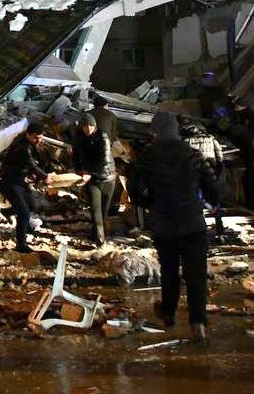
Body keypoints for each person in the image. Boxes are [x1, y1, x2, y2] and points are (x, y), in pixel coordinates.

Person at [131, 111, 219, 344]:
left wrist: (149, 204)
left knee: (169, 271)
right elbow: (213, 187)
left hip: (164, 223)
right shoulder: (193, 154)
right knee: (196, 275)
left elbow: (135, 189)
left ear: (156, 130)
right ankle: (198, 322)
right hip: (193, 222)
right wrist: (208, 203)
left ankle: (169, 314)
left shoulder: (147, 156)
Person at [0, 122, 54, 253]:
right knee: (23, 213)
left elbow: (39, 161)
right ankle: (21, 244)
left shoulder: (31, 143)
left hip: (19, 180)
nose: (39, 140)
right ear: (28, 134)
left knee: (32, 205)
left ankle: (7, 212)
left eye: (41, 137)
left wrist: (49, 171)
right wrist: (45, 177)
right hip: (9, 181)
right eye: (36, 137)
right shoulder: (22, 146)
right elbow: (31, 165)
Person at [72, 113, 117, 246]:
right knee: (95, 211)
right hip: (92, 180)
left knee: (103, 213)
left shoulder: (102, 137)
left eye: (91, 126)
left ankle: (95, 236)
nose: (88, 129)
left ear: (95, 126)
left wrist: (89, 172)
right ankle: (100, 243)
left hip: (107, 177)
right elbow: (75, 157)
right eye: (85, 126)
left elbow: (103, 159)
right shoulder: (78, 138)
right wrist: (79, 171)